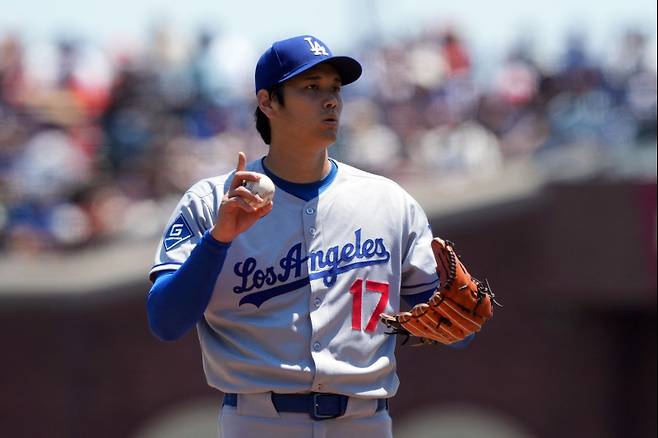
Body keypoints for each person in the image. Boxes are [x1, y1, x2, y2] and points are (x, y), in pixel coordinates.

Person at [146, 34, 472, 438]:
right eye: (311, 88)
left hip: (365, 421)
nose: (331, 100)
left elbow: (452, 329)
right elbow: (165, 321)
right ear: (267, 102)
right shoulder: (213, 201)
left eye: (335, 88)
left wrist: (454, 322)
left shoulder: (388, 202)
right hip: (258, 421)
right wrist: (219, 239)